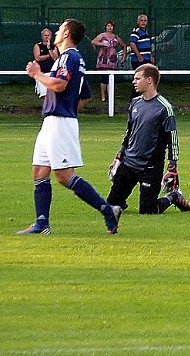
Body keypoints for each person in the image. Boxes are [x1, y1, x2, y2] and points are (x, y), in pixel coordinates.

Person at [17, 18, 122, 235]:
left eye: (60, 29)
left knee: (64, 175)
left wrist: (37, 74)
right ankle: (42, 223)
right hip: (53, 121)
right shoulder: (70, 59)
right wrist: (66, 107)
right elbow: (85, 96)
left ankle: (107, 209)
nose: (56, 32)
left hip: (59, 122)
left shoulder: (69, 57)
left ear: (66, 34)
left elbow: (59, 84)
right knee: (39, 171)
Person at [107, 63, 190, 214]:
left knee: (148, 210)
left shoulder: (164, 107)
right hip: (129, 163)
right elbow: (129, 132)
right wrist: (119, 155)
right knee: (112, 204)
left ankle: (174, 196)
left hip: (150, 167)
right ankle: (121, 198)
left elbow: (172, 137)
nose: (134, 82)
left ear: (149, 80)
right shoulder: (135, 103)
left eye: (137, 78)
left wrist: (172, 166)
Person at [91, 19, 127, 102]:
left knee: (110, 79)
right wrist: (102, 44)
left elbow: (124, 45)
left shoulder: (116, 37)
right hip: (103, 60)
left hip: (112, 61)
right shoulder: (102, 35)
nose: (110, 27)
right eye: (108, 26)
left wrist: (124, 56)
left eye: (111, 26)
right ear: (105, 27)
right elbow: (93, 42)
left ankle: (110, 96)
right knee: (104, 79)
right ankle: (103, 97)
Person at [33, 28, 58, 97]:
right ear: (42, 36)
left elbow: (55, 58)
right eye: (45, 35)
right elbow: (37, 58)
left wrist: (49, 49)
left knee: (53, 94)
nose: (47, 37)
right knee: (44, 94)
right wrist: (49, 55)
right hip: (42, 73)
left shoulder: (54, 46)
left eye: (48, 35)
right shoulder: (37, 46)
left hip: (52, 73)